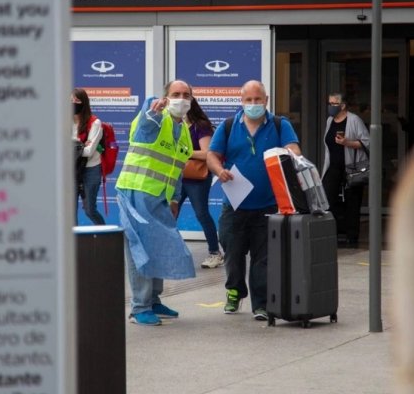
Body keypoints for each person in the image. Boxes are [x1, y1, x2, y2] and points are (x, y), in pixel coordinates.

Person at [207, 80, 301, 321]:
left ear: (266, 100)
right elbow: (212, 156)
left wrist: (289, 155)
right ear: (242, 101)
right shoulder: (228, 126)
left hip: (268, 204)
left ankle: (261, 304)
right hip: (235, 204)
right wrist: (219, 171)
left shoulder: (280, 125)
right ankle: (235, 291)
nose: (253, 104)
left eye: (258, 99)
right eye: (248, 100)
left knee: (263, 258)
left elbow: (294, 150)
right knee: (232, 252)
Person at [116, 80, 196, 326]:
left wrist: (174, 198)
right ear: (165, 97)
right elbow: (144, 129)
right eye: (175, 94)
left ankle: (153, 300)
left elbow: (178, 168)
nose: (181, 99)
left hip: (160, 197)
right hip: (136, 192)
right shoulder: (154, 118)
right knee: (140, 250)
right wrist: (152, 112)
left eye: (186, 95)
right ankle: (140, 307)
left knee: (159, 247)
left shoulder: (183, 130)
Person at [178, 98, 224, 269]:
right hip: (177, 176)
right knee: (169, 214)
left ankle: (215, 253)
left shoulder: (200, 125)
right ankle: (171, 252)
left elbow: (207, 153)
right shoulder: (175, 125)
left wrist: (183, 152)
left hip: (196, 178)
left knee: (201, 214)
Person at [321, 92, 370, 247]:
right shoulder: (330, 121)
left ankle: (352, 237)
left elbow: (367, 142)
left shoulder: (354, 120)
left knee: (352, 202)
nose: (330, 107)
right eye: (329, 103)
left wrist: (347, 142)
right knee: (328, 200)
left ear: (342, 106)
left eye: (334, 104)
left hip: (351, 168)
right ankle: (331, 234)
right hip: (333, 167)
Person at [72, 88, 105, 225]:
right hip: (72, 169)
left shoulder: (95, 123)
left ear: (84, 103)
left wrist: (73, 147)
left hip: (91, 169)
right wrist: (80, 145)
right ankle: (72, 243)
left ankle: (105, 236)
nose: (73, 103)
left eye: (77, 100)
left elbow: (89, 152)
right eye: (70, 100)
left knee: (89, 210)